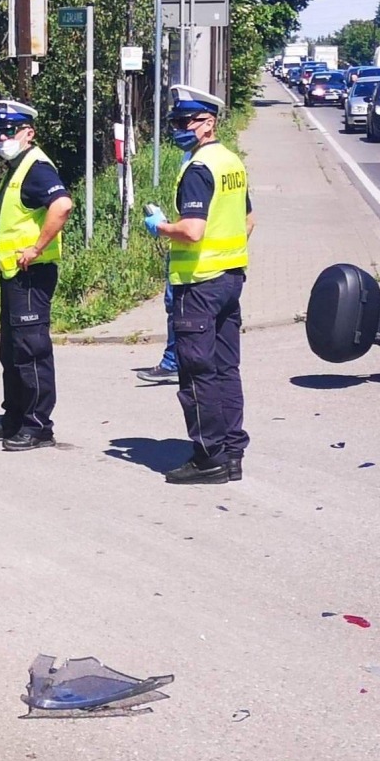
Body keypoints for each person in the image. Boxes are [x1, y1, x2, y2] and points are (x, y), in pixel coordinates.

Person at [144, 87, 252, 484]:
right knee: (226, 369)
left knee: (196, 373)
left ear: (209, 122)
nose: (178, 129)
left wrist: (160, 227)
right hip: (230, 279)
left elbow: (191, 230)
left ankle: (209, 457)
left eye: (186, 122)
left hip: (198, 285)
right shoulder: (231, 163)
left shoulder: (198, 169)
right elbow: (249, 221)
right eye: (174, 123)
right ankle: (232, 450)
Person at [0, 99, 73, 451]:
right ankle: (14, 418)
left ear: (29, 133)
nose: (1, 138)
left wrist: (36, 247)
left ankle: (37, 426)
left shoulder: (36, 167)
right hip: (14, 274)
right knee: (12, 351)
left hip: (32, 273)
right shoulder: (19, 167)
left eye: (9, 132)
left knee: (31, 351)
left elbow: (62, 205)